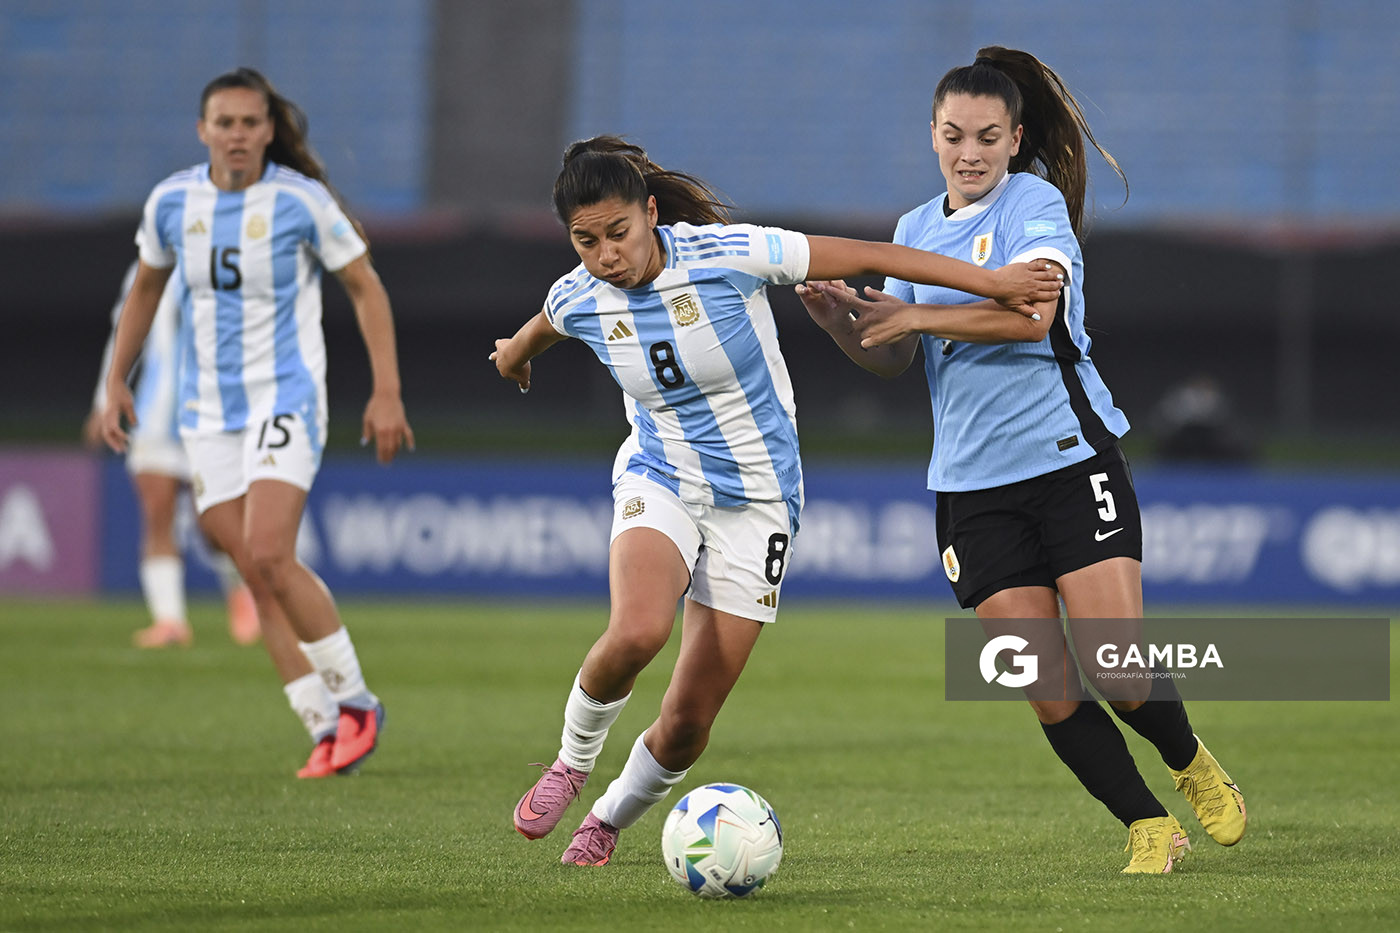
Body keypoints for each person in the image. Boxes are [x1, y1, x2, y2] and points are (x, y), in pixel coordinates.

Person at [492, 135, 1061, 866]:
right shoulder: (579, 293)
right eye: (586, 240)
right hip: (660, 474)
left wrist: (997, 284)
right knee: (637, 631)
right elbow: (537, 331)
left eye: (618, 233)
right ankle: (570, 762)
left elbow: (873, 257)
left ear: (652, 214)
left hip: (758, 501)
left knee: (688, 722)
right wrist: (510, 357)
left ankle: (605, 819)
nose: (605, 254)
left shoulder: (729, 253)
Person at [798, 46, 1245, 873]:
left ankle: (1188, 761)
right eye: (954, 134)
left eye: (988, 137)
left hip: (1069, 460)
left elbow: (1034, 313)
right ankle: (1148, 825)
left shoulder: (1034, 204)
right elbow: (898, 360)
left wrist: (917, 318)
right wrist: (846, 326)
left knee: (1116, 664)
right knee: (1043, 682)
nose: (969, 152)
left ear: (1015, 139)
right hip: (972, 489)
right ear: (931, 134)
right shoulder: (912, 231)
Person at [99, 67, 414, 779]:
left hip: (286, 399)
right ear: (202, 129)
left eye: (249, 122)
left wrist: (386, 389)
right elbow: (147, 285)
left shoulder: (301, 202)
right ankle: (322, 724)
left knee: (270, 552)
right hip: (205, 416)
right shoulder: (173, 202)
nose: (237, 134)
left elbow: (365, 286)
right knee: (253, 571)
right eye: (224, 122)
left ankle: (358, 703)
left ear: (269, 130)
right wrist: (118, 377)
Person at [85, 262, 260, 649]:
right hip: (158, 411)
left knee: (214, 524)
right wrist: (105, 399)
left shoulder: (228, 257)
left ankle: (241, 591)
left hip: (216, 413)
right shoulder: (150, 264)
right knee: (156, 510)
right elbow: (124, 332)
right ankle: (169, 621)